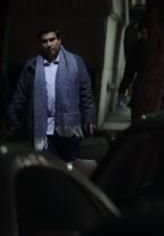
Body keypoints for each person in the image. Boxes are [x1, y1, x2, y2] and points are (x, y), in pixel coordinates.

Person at [5, 28, 96, 162]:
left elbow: (86, 93)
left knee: (67, 166)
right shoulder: (32, 66)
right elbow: (20, 94)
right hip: (42, 129)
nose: (49, 44)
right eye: (44, 41)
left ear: (59, 40)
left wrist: (89, 117)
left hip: (68, 129)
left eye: (52, 40)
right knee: (47, 166)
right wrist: (12, 116)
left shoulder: (75, 62)